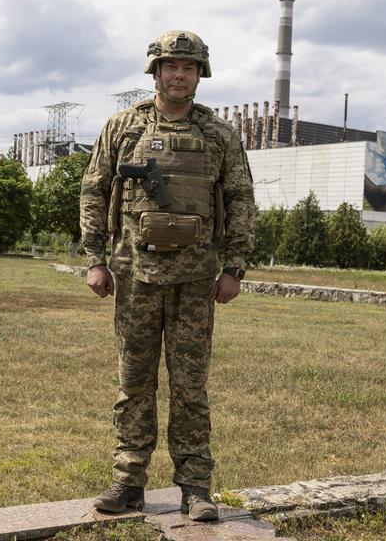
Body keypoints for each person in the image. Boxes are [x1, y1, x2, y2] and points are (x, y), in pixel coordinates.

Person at [79, 30, 254, 521]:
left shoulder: (219, 134)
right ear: (155, 72)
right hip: (135, 275)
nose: (179, 75)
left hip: (196, 280)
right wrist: (94, 258)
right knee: (133, 381)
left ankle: (196, 487)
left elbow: (240, 199)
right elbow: (93, 190)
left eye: (189, 67)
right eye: (171, 66)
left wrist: (234, 267)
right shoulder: (123, 127)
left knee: (190, 386)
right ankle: (128, 480)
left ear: (201, 75)